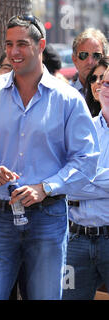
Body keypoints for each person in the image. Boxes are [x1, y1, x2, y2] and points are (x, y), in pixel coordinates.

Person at [0, 15, 99, 300]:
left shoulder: (68, 99)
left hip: (49, 217)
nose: (14, 52)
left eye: (22, 44)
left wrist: (45, 187)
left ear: (41, 45)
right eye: (9, 44)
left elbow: (86, 159)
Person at [63, 60, 109, 300]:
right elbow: (65, 183)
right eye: (105, 82)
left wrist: (82, 178)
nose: (106, 87)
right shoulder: (82, 130)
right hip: (75, 240)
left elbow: (75, 180)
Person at [71, 28, 108, 96]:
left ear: (105, 58)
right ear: (74, 59)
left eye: (96, 55)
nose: (90, 62)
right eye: (84, 55)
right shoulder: (64, 96)